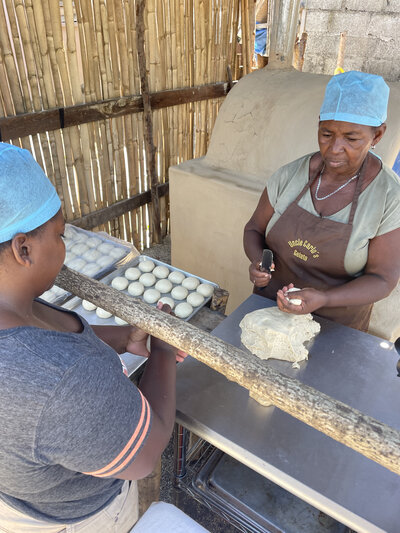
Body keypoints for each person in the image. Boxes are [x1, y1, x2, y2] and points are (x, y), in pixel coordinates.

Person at [0, 142, 186, 532]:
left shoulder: (17, 310)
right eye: (60, 235)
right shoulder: (58, 381)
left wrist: (121, 337)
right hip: (76, 518)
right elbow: (147, 450)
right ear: (24, 249)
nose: (64, 248)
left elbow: (40, 333)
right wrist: (163, 348)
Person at [243, 70, 400, 331]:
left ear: (378, 136)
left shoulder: (389, 197)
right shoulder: (289, 176)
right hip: (270, 308)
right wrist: (259, 262)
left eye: (351, 138)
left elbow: (383, 279)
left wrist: (325, 298)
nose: (335, 148)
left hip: (337, 325)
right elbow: (254, 229)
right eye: (327, 134)